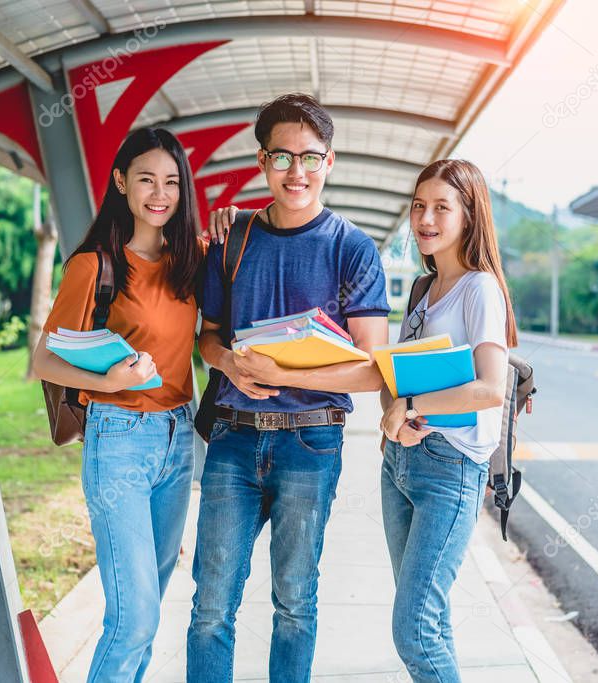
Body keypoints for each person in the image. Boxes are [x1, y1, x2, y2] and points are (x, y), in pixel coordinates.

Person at [186, 93, 391, 682]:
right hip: (233, 438)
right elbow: (209, 337)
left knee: (294, 604)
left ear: (330, 162)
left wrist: (283, 375)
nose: (295, 171)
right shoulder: (235, 237)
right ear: (261, 161)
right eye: (282, 157)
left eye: (310, 157)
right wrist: (229, 361)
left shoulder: (352, 249)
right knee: (210, 608)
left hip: (312, 443)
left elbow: (374, 368)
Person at [32, 126, 214, 682]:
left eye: (171, 182)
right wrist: (110, 384)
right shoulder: (94, 265)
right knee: (132, 617)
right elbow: (45, 360)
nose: (159, 194)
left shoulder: (193, 261)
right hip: (119, 440)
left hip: (178, 441)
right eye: (145, 180)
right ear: (120, 183)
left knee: (149, 609)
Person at [378, 159, 518, 682]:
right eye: (419, 206)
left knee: (413, 628)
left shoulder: (480, 289)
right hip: (401, 464)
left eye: (441, 207)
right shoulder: (424, 288)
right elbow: (403, 377)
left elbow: (489, 389)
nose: (425, 218)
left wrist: (412, 409)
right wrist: (395, 419)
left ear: (469, 215)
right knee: (427, 621)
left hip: (450, 470)